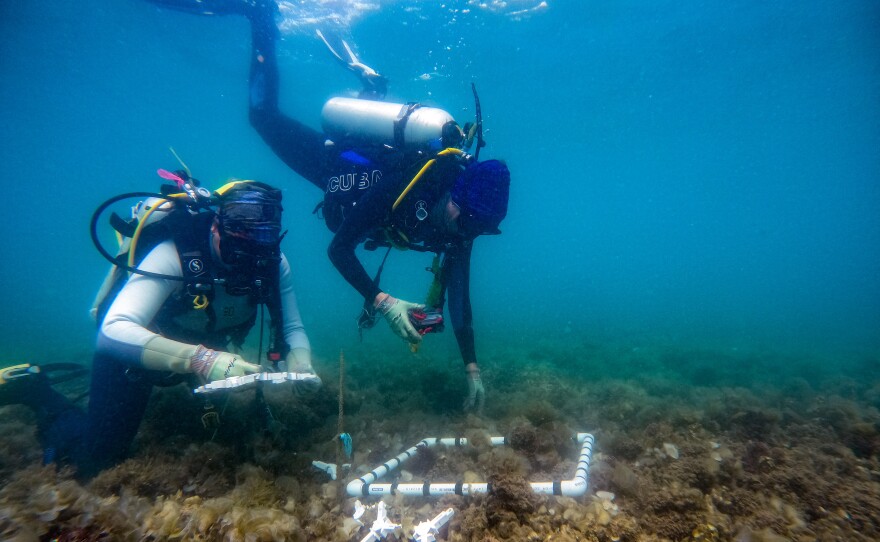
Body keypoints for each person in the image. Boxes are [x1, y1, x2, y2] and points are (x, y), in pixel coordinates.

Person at [145, 0, 511, 413]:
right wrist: (382, 301)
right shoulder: (407, 184)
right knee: (262, 117)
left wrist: (472, 369)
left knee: (302, 128)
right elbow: (338, 248)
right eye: (467, 221)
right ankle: (261, 19)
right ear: (456, 194)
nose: (466, 233)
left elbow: (460, 294)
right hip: (332, 162)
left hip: (371, 165)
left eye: (478, 229)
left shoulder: (465, 223)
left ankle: (371, 90)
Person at [2, 178, 317, 475]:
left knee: (222, 435)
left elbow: (292, 328)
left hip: (202, 352)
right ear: (216, 225)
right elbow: (113, 329)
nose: (247, 259)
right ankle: (36, 389)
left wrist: (301, 363)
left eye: (260, 241)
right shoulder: (174, 254)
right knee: (96, 461)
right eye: (239, 243)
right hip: (138, 357)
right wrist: (202, 359)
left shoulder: (273, 262)